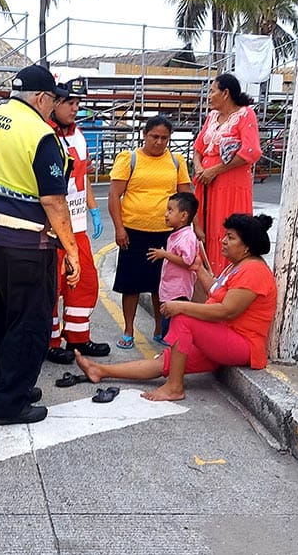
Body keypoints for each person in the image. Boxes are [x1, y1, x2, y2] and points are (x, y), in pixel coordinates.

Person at [0, 64, 79, 425]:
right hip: (23, 241)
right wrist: (71, 250)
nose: (53, 108)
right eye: (53, 101)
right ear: (42, 98)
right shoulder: (40, 134)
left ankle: (10, 385)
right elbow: (54, 201)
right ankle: (9, 404)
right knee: (29, 321)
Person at [76, 213, 277, 402]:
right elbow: (216, 290)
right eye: (226, 235)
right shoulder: (238, 265)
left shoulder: (253, 271)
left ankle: (174, 387)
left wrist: (182, 306)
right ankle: (100, 370)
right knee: (166, 361)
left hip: (243, 344)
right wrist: (198, 268)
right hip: (223, 336)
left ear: (247, 247)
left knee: (183, 318)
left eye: (231, 238)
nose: (223, 240)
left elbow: (227, 310)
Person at [108, 116, 191, 350]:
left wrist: (188, 230)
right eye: (155, 136)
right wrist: (119, 228)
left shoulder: (176, 161)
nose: (159, 142)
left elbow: (186, 198)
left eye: (164, 138)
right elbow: (114, 196)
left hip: (166, 234)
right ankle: (128, 330)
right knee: (131, 284)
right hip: (133, 232)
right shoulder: (129, 159)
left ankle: (160, 329)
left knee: (162, 285)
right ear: (144, 135)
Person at [45, 80, 110, 364]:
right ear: (55, 103)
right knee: (52, 285)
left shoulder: (80, 136)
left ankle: (78, 340)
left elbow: (82, 179)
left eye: (78, 104)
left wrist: (93, 209)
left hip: (78, 225)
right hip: (51, 226)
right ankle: (49, 342)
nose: (75, 108)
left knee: (83, 282)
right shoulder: (45, 135)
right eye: (70, 103)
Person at [194, 72, 263, 275]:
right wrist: (199, 168)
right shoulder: (212, 117)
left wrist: (215, 170)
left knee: (225, 228)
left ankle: (227, 276)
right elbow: (198, 147)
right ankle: (205, 278)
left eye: (212, 91)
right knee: (204, 228)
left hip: (230, 183)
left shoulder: (245, 115)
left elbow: (250, 151)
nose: (209, 96)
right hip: (206, 181)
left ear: (225, 93)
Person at [146, 192, 199, 342]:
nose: (166, 214)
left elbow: (187, 261)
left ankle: (172, 353)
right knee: (168, 321)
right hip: (170, 287)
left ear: (183, 216)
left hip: (179, 289)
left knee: (175, 325)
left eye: (170, 210)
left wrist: (164, 254)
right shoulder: (176, 234)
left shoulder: (187, 237)